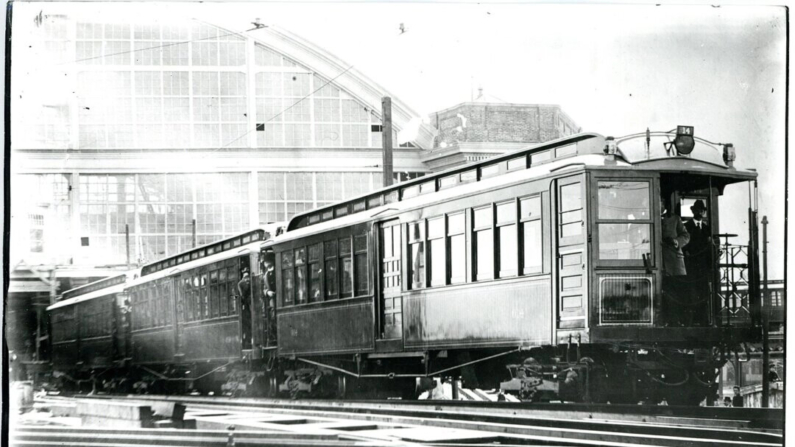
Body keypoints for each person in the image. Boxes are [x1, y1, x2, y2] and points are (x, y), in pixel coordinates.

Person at [661, 195, 690, 325]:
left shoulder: (674, 219)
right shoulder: (650, 217)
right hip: (658, 262)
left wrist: (676, 241)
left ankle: (676, 322)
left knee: (676, 292)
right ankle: (664, 321)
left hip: (674, 262)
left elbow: (686, 235)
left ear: (663, 203)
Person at [683, 200, 712, 326]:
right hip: (690, 266)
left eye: (702, 210)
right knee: (691, 292)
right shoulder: (686, 227)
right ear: (693, 211)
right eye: (697, 210)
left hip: (703, 267)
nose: (700, 212)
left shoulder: (707, 228)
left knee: (703, 292)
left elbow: (709, 247)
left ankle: (703, 320)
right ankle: (690, 321)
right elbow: (683, 244)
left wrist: (710, 266)